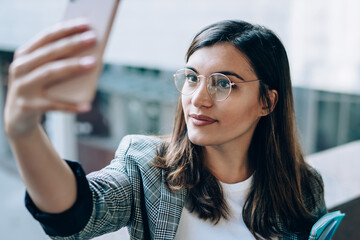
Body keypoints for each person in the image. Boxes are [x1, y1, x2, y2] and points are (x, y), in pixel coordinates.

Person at [4, 19, 327, 240]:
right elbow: (75, 214)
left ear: (267, 103)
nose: (198, 99)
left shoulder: (303, 187)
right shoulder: (147, 167)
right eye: (191, 78)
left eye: (223, 84)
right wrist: (25, 131)